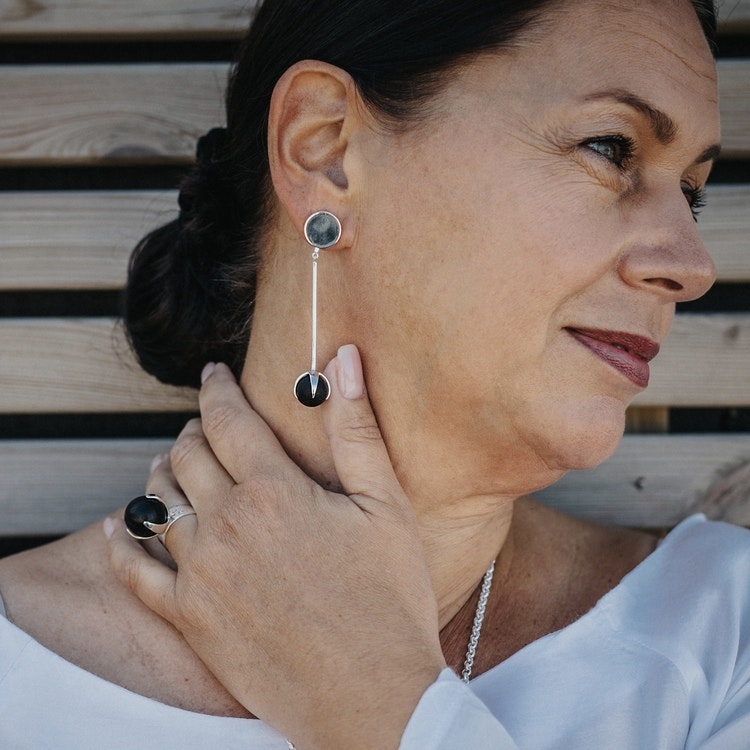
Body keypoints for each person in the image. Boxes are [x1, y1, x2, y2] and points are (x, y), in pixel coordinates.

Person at [1, 0, 747, 747]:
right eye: (612, 148)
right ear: (326, 149)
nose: (691, 264)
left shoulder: (726, 634)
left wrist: (375, 699)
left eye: (691, 192)